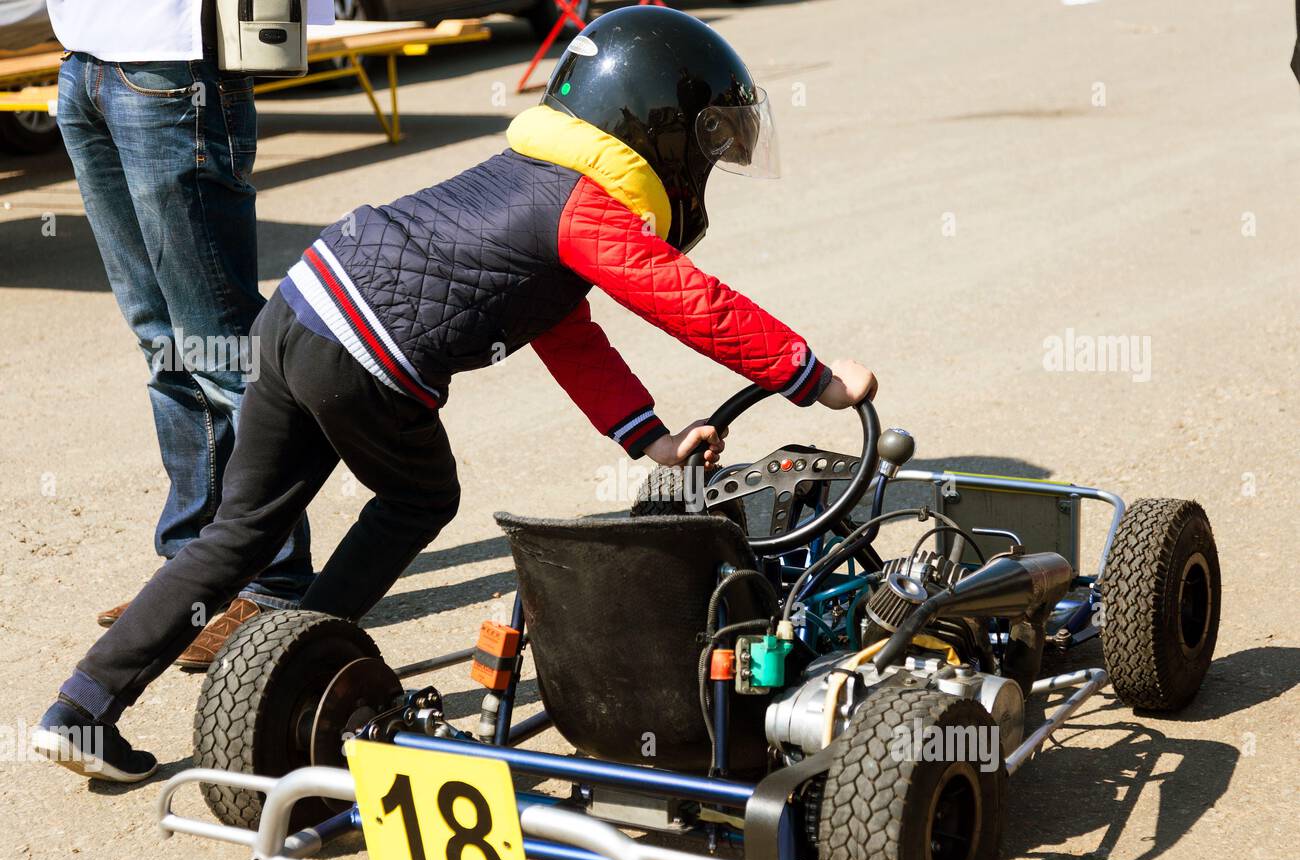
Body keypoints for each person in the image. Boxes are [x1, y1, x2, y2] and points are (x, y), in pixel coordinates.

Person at [32, 6, 878, 783]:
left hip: (295, 311)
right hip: (361, 355)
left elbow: (565, 330)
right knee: (422, 495)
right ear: (654, 129)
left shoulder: (531, 175)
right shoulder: (587, 209)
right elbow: (695, 303)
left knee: (235, 534)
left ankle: (81, 707)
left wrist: (648, 438)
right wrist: (816, 378)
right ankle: (304, 651)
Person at [47, 0, 320, 669]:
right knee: (161, 341)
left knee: (220, 345)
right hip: (85, 57)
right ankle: (194, 571)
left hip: (172, 60)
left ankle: (276, 583)